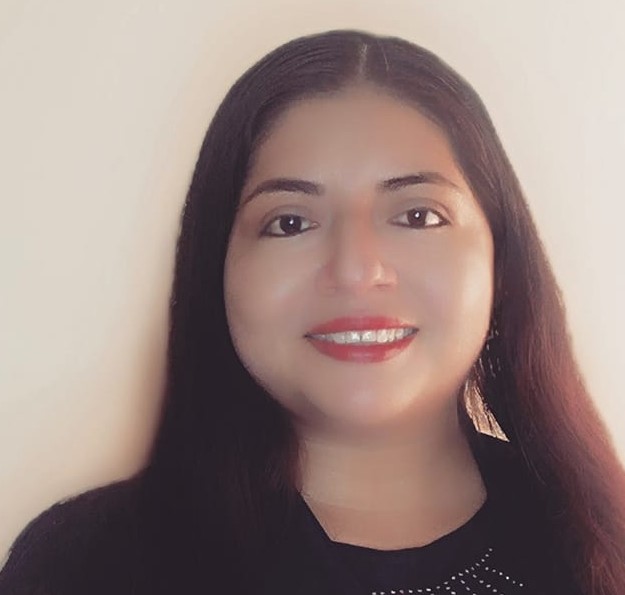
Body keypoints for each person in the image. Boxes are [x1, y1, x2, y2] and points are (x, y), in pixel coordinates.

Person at [1, 29, 624, 595]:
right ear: (217, 268)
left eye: (417, 215)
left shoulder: (604, 550)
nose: (355, 269)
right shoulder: (85, 566)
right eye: (290, 222)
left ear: (502, 261)